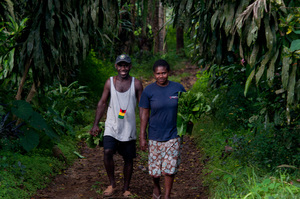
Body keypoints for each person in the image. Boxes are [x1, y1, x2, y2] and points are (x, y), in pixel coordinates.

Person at [90, 54, 143, 197]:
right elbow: (102, 103)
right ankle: (112, 184)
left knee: (128, 158)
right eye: (120, 65)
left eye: (126, 65)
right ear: (116, 67)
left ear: (130, 66)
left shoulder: (136, 84)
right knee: (107, 152)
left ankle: (126, 188)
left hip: (129, 127)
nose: (123, 68)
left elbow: (142, 107)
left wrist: (144, 129)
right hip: (111, 125)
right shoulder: (110, 83)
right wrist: (95, 124)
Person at [139, 59, 186, 199]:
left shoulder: (178, 88)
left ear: (168, 72)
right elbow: (144, 114)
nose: (161, 76)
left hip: (173, 134)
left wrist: (188, 122)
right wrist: (142, 136)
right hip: (154, 134)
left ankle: (166, 195)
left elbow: (186, 109)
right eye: (158, 74)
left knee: (169, 170)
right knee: (155, 171)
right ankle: (156, 186)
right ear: (154, 74)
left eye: (164, 73)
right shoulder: (148, 91)